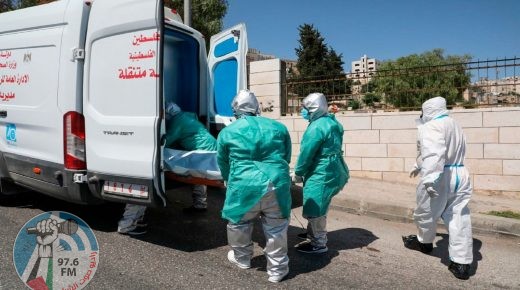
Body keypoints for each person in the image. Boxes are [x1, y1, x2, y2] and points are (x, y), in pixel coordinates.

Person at [217, 90, 292, 283]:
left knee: (239, 222)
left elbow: (223, 162)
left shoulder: (228, 132)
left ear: (235, 109)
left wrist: (228, 180)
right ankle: (277, 271)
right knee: (276, 227)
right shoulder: (279, 127)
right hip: (277, 183)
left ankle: (242, 259)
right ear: (257, 107)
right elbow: (286, 156)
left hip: (244, 185)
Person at [117, 102, 217, 235]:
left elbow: (167, 140)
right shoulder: (186, 116)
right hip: (209, 147)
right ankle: (200, 204)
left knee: (199, 175)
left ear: (169, 113)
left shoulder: (178, 121)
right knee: (199, 176)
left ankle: (200, 203)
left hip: (203, 150)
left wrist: (158, 146)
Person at [403, 96, 473, 280]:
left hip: (440, 176)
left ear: (427, 110)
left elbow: (434, 153)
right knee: (459, 216)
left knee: (425, 212)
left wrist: (429, 178)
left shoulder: (431, 126)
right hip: (460, 173)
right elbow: (434, 151)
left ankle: (424, 242)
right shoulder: (454, 124)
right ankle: (461, 262)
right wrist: (418, 164)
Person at [293, 93, 349, 254]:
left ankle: (318, 243)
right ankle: (313, 233)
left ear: (313, 108)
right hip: (335, 169)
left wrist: (298, 172)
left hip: (322, 172)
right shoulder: (331, 122)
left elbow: (307, 154)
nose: (303, 111)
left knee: (315, 206)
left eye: (305, 108)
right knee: (320, 203)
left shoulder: (316, 127)